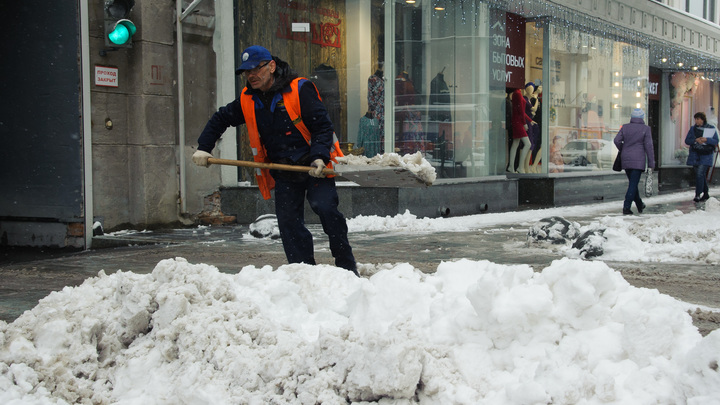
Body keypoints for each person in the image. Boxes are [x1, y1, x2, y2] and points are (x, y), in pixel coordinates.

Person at [191, 45, 358, 276]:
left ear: (271, 66)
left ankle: (347, 267)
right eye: (246, 72)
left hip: (314, 166)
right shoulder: (249, 99)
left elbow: (322, 126)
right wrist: (204, 148)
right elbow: (221, 118)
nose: (251, 76)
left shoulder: (299, 89)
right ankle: (303, 273)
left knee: (326, 210)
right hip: (284, 170)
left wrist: (319, 156)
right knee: (289, 223)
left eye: (256, 69)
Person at [613, 108, 655, 215]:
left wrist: (623, 148)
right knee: (633, 184)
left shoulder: (625, 127)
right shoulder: (645, 129)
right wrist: (651, 163)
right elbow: (649, 147)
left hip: (626, 159)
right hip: (638, 160)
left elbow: (616, 140)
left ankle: (640, 204)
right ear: (642, 118)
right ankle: (626, 207)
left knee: (633, 183)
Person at [684, 111, 719, 202]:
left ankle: (698, 194)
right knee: (701, 175)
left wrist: (706, 139)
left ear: (702, 119)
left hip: (706, 154)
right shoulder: (693, 129)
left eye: (698, 119)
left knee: (700, 173)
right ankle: (706, 193)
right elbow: (687, 140)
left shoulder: (710, 128)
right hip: (695, 154)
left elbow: (716, 140)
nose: (696, 121)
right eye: (695, 119)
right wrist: (695, 140)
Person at [508, 89, 534, 173]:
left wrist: (529, 120)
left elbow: (521, 111)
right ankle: (520, 166)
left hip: (516, 121)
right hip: (518, 122)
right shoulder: (518, 93)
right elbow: (520, 111)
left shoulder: (517, 93)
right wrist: (524, 123)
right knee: (528, 144)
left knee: (515, 144)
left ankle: (511, 167)